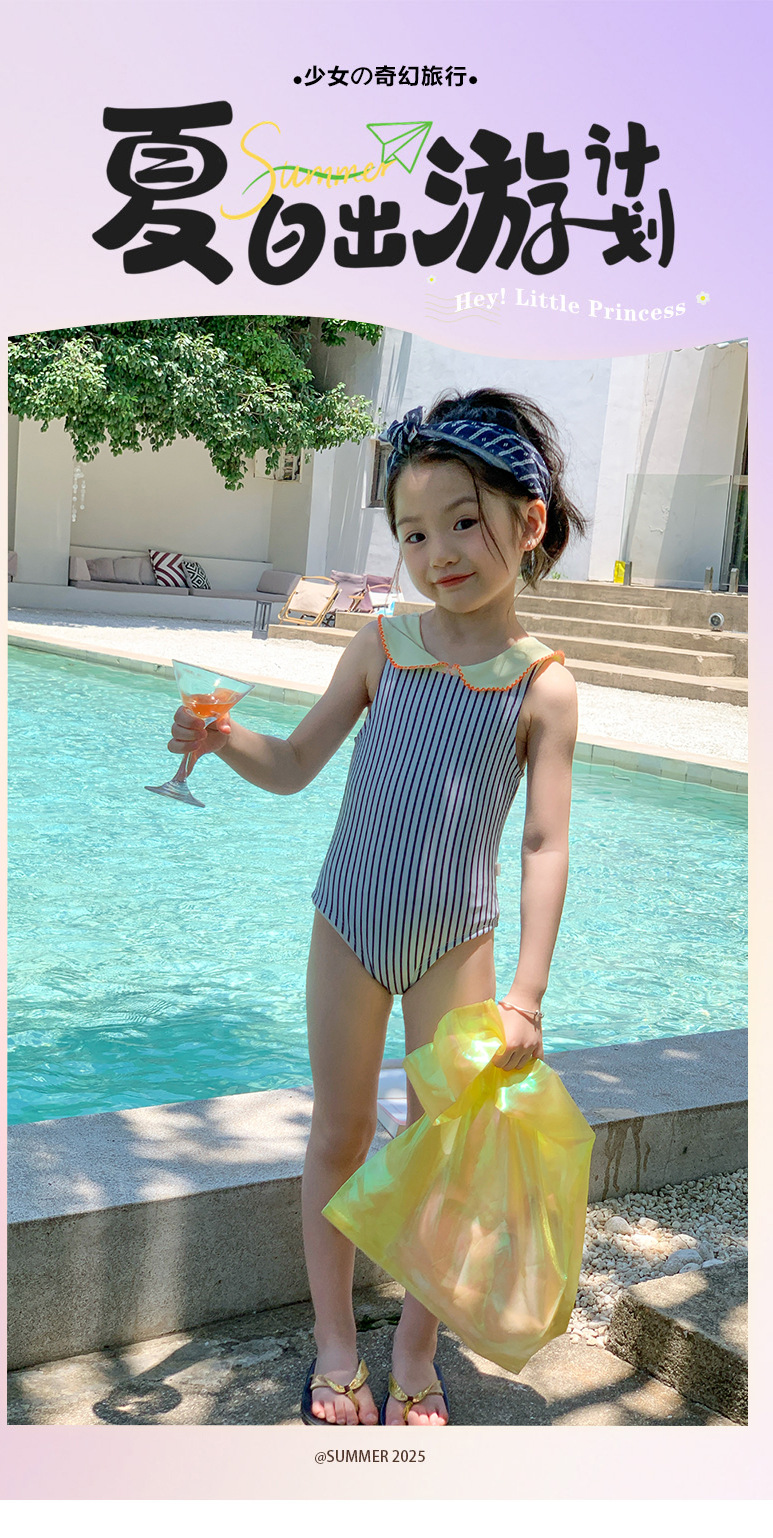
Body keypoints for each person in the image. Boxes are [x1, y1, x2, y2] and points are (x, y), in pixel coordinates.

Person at [168, 388, 586, 1427]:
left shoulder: (541, 685)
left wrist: (526, 994)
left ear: (527, 522)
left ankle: (414, 1348)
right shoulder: (378, 647)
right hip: (347, 923)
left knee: (443, 1156)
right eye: (412, 532)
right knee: (340, 1132)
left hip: (456, 941)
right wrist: (222, 739)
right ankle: (334, 1341)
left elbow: (543, 844)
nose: (437, 551)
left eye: (463, 521)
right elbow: (294, 764)